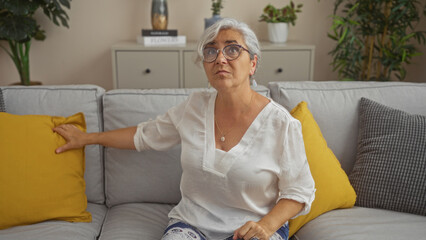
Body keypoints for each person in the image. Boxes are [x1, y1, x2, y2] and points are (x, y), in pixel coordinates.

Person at [53, 18, 315, 240]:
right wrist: (87, 138)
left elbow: (299, 191)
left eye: (232, 49)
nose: (220, 58)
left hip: (253, 228)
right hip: (192, 225)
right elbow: (144, 136)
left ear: (253, 64)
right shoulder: (194, 107)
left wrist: (267, 226)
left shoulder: (281, 124)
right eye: (211, 52)